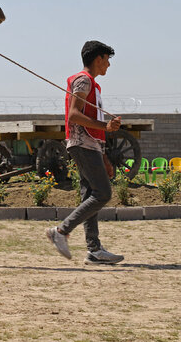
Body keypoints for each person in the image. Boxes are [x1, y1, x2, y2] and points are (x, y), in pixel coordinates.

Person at [46, 40, 124, 265]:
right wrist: (106, 127)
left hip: (91, 146)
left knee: (90, 195)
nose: (108, 65)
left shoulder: (94, 85)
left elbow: (93, 124)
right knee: (103, 194)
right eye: (107, 59)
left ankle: (94, 250)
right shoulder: (83, 80)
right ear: (98, 58)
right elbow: (74, 115)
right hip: (82, 144)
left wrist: (104, 156)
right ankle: (61, 232)